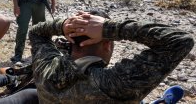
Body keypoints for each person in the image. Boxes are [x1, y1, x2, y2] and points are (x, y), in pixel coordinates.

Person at [29, 10, 194, 103]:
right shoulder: (116, 83)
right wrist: (108, 28)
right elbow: (181, 40)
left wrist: (62, 25)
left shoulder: (44, 67)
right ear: (107, 44)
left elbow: (36, 32)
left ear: (69, 39)